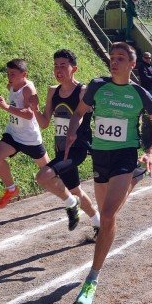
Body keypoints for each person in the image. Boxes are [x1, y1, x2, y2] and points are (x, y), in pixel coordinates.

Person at [64, 42, 152, 304]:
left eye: (121, 58)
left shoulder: (139, 93)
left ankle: (92, 278)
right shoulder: (98, 86)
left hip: (124, 155)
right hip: (100, 157)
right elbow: (78, 113)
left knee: (108, 216)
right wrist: (74, 130)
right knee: (105, 214)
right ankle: (136, 176)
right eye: (112, 57)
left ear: (132, 64)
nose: (115, 62)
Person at [33, 50, 100, 235]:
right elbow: (45, 123)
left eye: (63, 65)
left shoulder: (83, 91)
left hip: (77, 149)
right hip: (61, 149)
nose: (58, 69)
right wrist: (34, 109)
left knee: (43, 176)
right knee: (75, 190)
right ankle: (98, 222)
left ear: (74, 68)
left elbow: (82, 116)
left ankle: (71, 204)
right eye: (56, 65)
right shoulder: (53, 91)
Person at [0, 59, 50, 209]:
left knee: (49, 172)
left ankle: (71, 192)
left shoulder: (28, 89)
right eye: (8, 73)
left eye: (13, 74)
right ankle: (11, 189)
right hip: (13, 134)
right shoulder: (12, 84)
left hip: (30, 139)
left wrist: (6, 106)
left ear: (24, 74)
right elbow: (11, 87)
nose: (9, 77)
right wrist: (10, 92)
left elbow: (30, 115)